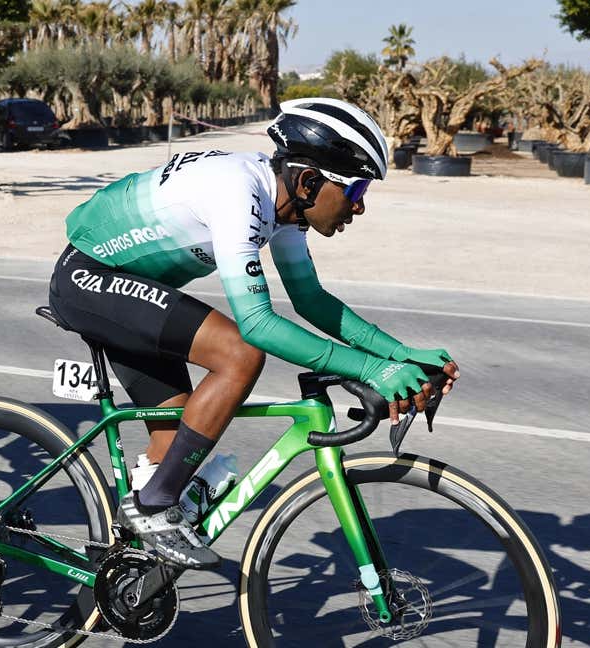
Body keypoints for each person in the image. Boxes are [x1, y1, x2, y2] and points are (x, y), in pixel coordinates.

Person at [47, 97, 460, 569]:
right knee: (239, 354)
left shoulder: (284, 207)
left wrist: (399, 354)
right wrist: (372, 370)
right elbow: (258, 325)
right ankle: (153, 508)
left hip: (139, 294)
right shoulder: (239, 192)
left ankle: (123, 578)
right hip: (88, 278)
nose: (360, 206)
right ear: (308, 181)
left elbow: (312, 302)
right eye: (357, 188)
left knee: (177, 452)